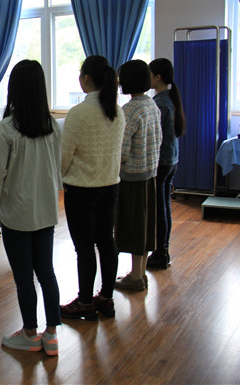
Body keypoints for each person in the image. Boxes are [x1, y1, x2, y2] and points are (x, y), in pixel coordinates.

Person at [0, 60, 62, 356]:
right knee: (46, 272)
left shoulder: (6, 129)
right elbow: (56, 166)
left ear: (14, 89)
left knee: (23, 277)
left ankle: (30, 333)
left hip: (16, 213)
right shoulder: (52, 126)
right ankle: (51, 335)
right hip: (45, 210)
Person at [59, 55, 126, 320]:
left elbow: (65, 155)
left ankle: (85, 301)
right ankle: (106, 299)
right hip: (110, 185)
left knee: (85, 247)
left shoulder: (79, 113)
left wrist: (60, 179)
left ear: (86, 78)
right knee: (107, 242)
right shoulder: (117, 110)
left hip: (82, 188)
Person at [114, 60, 162, 291]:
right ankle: (139, 274)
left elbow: (122, 152)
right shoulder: (152, 105)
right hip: (150, 175)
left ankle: (135, 277)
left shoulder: (130, 110)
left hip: (132, 177)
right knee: (145, 226)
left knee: (133, 227)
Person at [147, 58, 186, 269]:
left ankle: (160, 252)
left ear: (158, 77)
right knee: (165, 206)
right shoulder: (170, 98)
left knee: (159, 209)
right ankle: (163, 250)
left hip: (161, 162)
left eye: (150, 73)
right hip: (172, 160)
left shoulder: (159, 103)